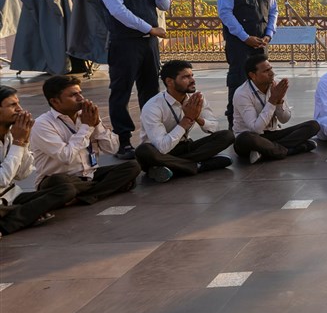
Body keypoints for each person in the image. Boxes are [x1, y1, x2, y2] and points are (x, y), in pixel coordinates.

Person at [92, 0, 170, 159]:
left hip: (148, 44)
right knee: (121, 91)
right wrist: (150, 28)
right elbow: (118, 11)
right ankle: (124, 141)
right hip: (125, 42)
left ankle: (152, 135)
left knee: (150, 90)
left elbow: (164, 6)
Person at [29, 75, 140, 203]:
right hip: (59, 178)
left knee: (132, 167)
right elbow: (66, 157)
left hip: (88, 175)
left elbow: (112, 149)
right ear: (55, 101)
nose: (81, 98)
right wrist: (87, 127)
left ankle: (79, 196)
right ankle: (96, 191)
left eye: (80, 93)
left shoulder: (86, 116)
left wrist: (97, 124)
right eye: (73, 95)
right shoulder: (42, 124)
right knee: (62, 183)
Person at [134, 59, 236, 182]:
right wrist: (186, 120)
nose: (192, 80)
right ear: (169, 82)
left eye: (192, 75)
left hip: (184, 147)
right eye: (186, 77)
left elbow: (214, 128)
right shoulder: (153, 106)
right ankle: (198, 165)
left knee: (227, 135)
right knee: (143, 151)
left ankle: (174, 168)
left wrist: (197, 117)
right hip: (159, 154)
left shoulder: (196, 98)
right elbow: (162, 147)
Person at [0, 87, 77, 235]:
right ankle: (11, 223)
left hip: (12, 198)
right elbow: (2, 180)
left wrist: (25, 141)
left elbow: (22, 174)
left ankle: (15, 217)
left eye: (18, 104)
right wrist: (19, 143)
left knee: (66, 190)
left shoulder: (11, 135)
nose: (19, 109)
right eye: (12, 105)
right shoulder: (15, 138)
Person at [217, 0, 277, 125]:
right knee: (239, 81)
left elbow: (273, 11)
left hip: (260, 43)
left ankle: (263, 121)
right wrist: (245, 37)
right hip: (240, 44)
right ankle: (235, 125)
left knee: (263, 81)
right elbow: (225, 13)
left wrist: (269, 34)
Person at [232, 54, 320, 164]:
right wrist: (273, 100)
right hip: (252, 139)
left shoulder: (276, 85)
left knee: (313, 126)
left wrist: (279, 102)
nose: (272, 73)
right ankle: (291, 150)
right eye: (266, 71)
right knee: (245, 138)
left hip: (273, 135)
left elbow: (284, 119)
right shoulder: (242, 93)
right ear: (252, 75)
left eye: (271, 69)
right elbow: (256, 128)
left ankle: (268, 152)